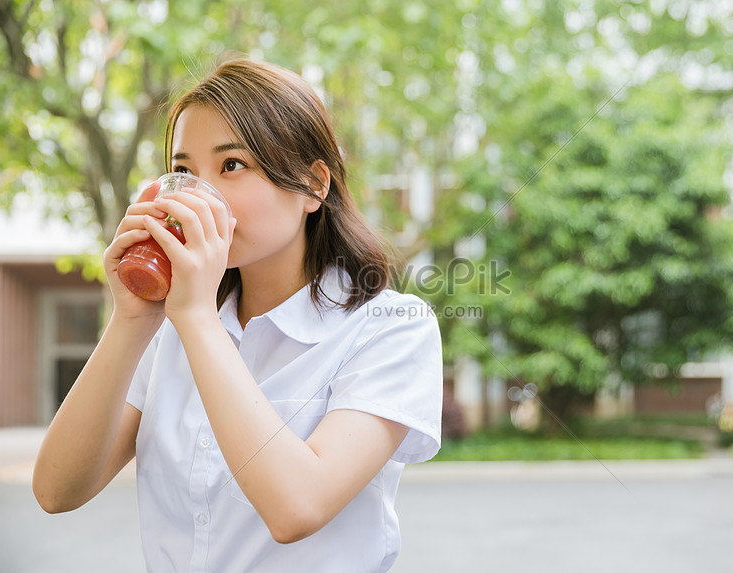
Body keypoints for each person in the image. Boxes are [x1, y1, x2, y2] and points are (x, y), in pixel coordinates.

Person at [32, 58, 443, 572]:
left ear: (315, 186)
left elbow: (297, 508)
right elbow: (55, 490)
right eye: (183, 172)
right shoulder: (167, 328)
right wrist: (132, 320)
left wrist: (198, 321)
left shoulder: (391, 327)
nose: (198, 197)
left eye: (231, 165)